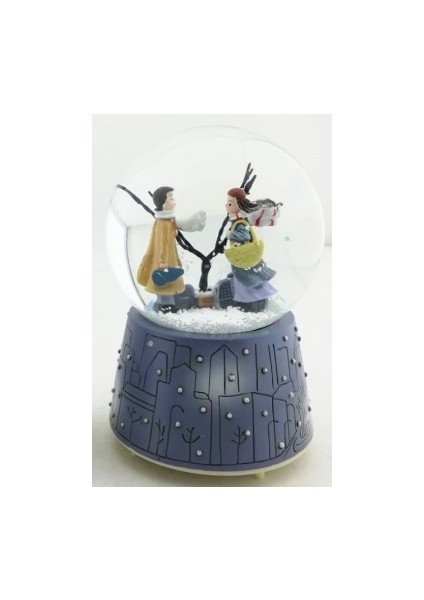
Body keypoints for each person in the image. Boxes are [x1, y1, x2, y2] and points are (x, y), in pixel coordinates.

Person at [137, 186, 205, 313]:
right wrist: (162, 262)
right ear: (163, 203)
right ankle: (166, 308)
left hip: (170, 259)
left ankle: (165, 306)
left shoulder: (167, 221)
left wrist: (177, 260)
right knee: (164, 286)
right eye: (171, 198)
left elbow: (172, 246)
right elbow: (162, 243)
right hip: (164, 262)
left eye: (173, 198)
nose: (174, 201)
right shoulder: (163, 223)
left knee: (168, 286)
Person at [224, 187, 278, 309]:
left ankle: (250, 301)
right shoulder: (236, 219)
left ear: (239, 205)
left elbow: (245, 235)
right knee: (243, 279)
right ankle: (246, 299)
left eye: (230, 203)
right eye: (227, 203)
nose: (226, 206)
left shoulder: (240, 221)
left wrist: (230, 234)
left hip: (244, 258)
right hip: (243, 257)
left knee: (246, 280)